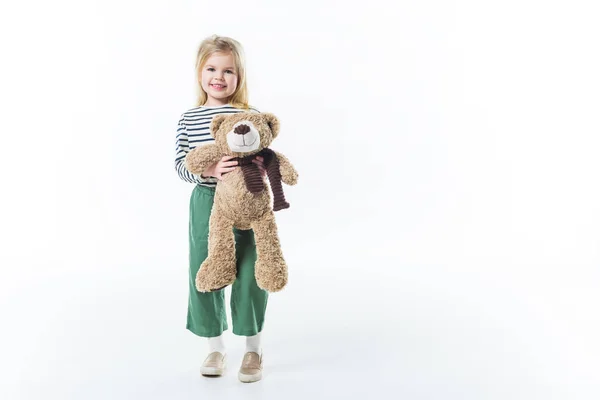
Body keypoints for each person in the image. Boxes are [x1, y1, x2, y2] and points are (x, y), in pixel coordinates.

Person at [174, 34, 268, 383]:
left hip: (245, 202)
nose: (219, 76)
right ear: (200, 72)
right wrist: (209, 169)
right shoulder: (190, 118)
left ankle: (253, 348)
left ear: (239, 76)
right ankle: (214, 346)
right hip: (205, 201)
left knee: (250, 270)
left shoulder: (250, 115)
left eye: (229, 70)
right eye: (212, 68)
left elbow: (265, 157)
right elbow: (181, 165)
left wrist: (254, 170)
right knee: (205, 268)